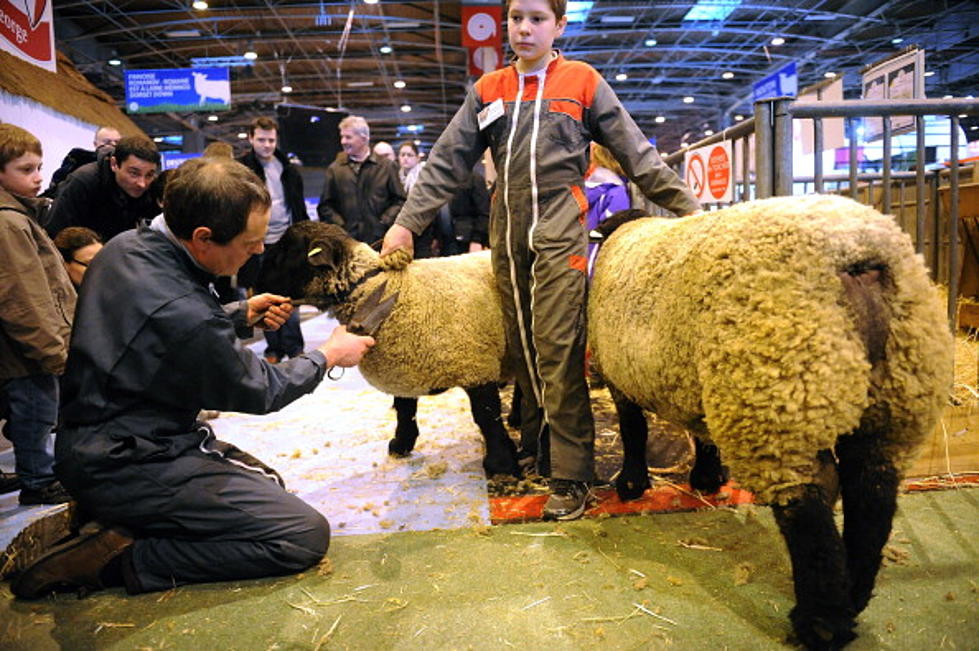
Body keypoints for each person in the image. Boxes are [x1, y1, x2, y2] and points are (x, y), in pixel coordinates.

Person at [381, 0, 699, 520]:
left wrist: (691, 212)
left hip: (559, 232)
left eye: (537, 18)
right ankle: (539, 446)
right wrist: (405, 223)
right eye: (516, 18)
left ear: (559, 25)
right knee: (522, 347)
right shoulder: (489, 90)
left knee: (556, 347)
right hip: (506, 236)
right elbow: (445, 162)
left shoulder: (582, 81)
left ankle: (573, 475)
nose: (524, 29)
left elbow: (639, 156)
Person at [11, 157, 374, 600]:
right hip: (128, 459)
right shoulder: (183, 311)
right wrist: (328, 353)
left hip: (101, 439)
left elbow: (159, 328)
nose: (258, 252)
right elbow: (261, 388)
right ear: (203, 238)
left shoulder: (126, 248)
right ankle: (119, 558)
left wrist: (240, 314)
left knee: (268, 484)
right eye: (249, 242)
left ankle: (112, 521)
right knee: (299, 535)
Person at [0, 123, 75, 505]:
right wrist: (51, 349)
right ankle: (38, 480)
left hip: (24, 346)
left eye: (38, 167)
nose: (38, 177)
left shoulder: (21, 216)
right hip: (24, 350)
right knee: (35, 410)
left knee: (32, 408)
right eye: (25, 170)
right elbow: (23, 297)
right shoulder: (9, 222)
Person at [238, 117, 309, 363]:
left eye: (271, 140)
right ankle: (274, 348)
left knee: (290, 298)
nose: (267, 145)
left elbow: (298, 206)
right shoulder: (242, 170)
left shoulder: (288, 168)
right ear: (250, 138)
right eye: (261, 139)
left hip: (286, 242)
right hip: (257, 244)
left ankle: (294, 347)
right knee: (264, 297)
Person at [44, 135, 160, 242]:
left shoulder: (153, 188)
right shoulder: (82, 182)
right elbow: (56, 236)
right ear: (114, 164)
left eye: (149, 175)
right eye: (134, 173)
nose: (142, 184)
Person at [317, 115, 405, 245]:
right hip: (348, 244)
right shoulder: (335, 170)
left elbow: (400, 200)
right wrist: (341, 226)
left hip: (381, 242)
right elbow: (325, 206)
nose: (343, 141)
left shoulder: (387, 167)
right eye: (342, 136)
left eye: (348, 137)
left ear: (363, 139)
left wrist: (383, 222)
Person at [41, 126, 121, 199]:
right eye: (107, 142)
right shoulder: (78, 159)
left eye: (117, 142)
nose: (113, 145)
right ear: (95, 144)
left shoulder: (123, 168)